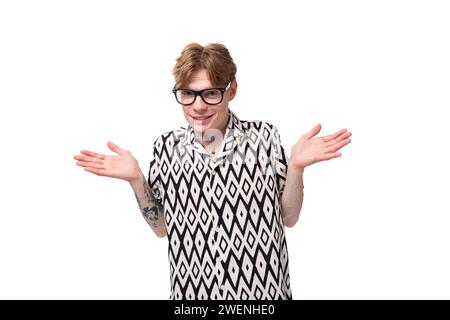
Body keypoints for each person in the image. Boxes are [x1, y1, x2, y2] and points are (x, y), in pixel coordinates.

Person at [73, 43, 352, 300]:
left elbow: (288, 218)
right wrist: (136, 180)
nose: (198, 106)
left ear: (231, 90)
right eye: (187, 94)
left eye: (210, 93)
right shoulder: (166, 147)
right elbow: (161, 229)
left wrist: (296, 168)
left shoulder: (264, 137)